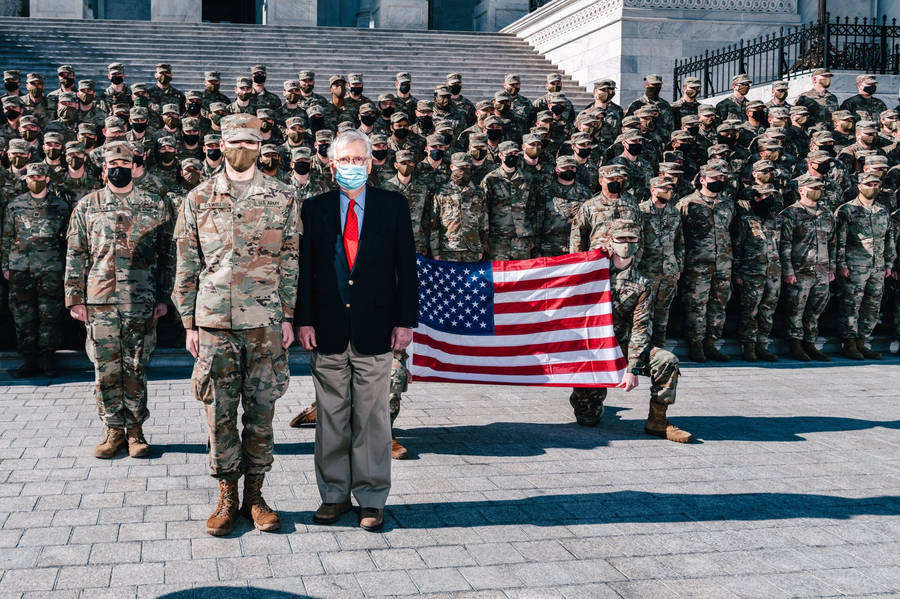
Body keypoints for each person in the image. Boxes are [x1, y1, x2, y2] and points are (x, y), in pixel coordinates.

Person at [172, 114, 299, 536]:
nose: (243, 148)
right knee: (219, 415)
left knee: (261, 414)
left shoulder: (283, 195)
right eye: (235, 142)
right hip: (213, 324)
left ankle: (256, 496)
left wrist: (289, 316)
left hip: (264, 323)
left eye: (251, 141)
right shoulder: (198, 198)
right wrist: (189, 322)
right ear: (221, 145)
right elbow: (187, 264)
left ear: (261, 146)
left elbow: (291, 261)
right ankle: (226, 497)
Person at [296, 129, 417, 533]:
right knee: (331, 417)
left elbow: (406, 269)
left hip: (376, 330)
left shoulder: (393, 206)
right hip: (328, 330)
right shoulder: (314, 209)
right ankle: (333, 495)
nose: (352, 167)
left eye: (358, 160)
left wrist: (404, 322)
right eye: (344, 161)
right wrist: (304, 320)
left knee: (372, 419)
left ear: (371, 164)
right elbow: (305, 273)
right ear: (331, 166)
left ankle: (371, 498)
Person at [64, 141, 173, 459]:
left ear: (133, 168)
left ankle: (136, 431)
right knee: (106, 369)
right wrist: (74, 297)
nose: (119, 170)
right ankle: (113, 429)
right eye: (113, 165)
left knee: (136, 366)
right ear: (103, 170)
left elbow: (167, 256)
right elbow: (75, 254)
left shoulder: (154, 205)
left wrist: (164, 296)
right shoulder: (87, 206)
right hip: (99, 302)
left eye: (125, 165)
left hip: (140, 301)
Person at [2, 162, 70, 377]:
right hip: (20, 268)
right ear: (26, 180)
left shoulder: (60, 206)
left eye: (40, 177)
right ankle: (29, 360)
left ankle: (49, 359)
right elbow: (6, 238)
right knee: (23, 315)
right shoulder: (14, 205)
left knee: (50, 314)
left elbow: (68, 241)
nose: (35, 181)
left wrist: (66, 268)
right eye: (31, 178)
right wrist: (5, 265)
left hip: (51, 267)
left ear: (47, 179)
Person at [834, 172, 895, 359]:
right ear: (859, 186)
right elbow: (839, 241)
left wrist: (889, 263)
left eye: (877, 184)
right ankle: (849, 342)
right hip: (854, 266)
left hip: (877, 267)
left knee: (872, 306)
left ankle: (862, 341)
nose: (873, 187)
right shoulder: (847, 210)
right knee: (852, 305)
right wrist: (841, 264)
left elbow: (889, 239)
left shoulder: (882, 211)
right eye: (869, 184)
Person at [779, 174, 835, 361]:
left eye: (820, 189)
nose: (817, 191)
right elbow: (784, 244)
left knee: (815, 310)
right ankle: (795, 345)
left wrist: (831, 268)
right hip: (800, 270)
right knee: (796, 310)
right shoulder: (790, 214)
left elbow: (832, 242)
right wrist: (787, 271)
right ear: (801, 190)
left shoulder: (826, 214)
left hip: (822, 270)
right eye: (813, 188)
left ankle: (810, 344)